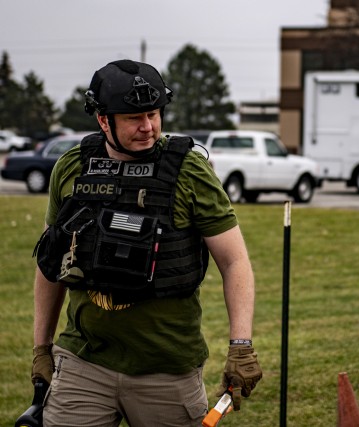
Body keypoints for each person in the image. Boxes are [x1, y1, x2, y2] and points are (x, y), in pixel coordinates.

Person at [30, 59, 262, 426]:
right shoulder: (72, 168)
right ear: (103, 120)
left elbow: (235, 261)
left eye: (154, 114)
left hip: (167, 369)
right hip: (83, 362)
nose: (148, 127)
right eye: (133, 118)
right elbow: (50, 262)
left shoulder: (190, 171)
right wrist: (41, 348)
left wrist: (241, 346)